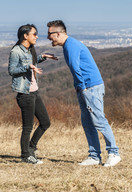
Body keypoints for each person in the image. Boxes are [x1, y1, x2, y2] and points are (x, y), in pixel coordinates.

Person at [47, 20, 121, 167]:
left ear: (58, 33)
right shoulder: (69, 45)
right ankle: (94, 156)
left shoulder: (71, 45)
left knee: (99, 120)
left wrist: (81, 86)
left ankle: (114, 153)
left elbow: (75, 68)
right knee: (87, 123)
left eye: (50, 34)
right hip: (85, 87)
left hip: (90, 87)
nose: (48, 37)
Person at [8, 24, 57, 164]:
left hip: (35, 92)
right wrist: (27, 67)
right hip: (25, 94)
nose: (36, 36)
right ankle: (25, 156)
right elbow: (11, 70)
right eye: (34, 34)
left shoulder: (30, 50)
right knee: (27, 127)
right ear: (25, 36)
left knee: (45, 122)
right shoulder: (16, 51)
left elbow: (32, 62)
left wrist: (43, 57)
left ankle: (31, 148)